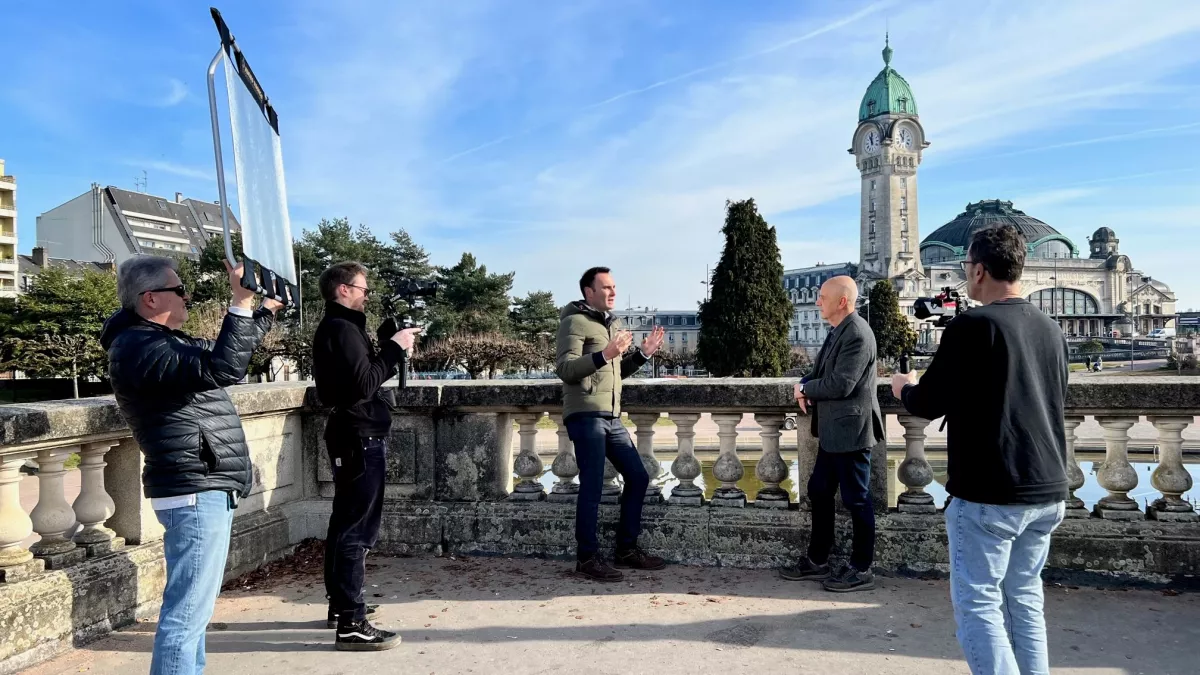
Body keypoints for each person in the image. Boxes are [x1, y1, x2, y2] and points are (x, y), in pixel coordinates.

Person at [892, 224, 1069, 675]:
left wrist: (903, 388)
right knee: (1026, 601)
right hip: (1048, 488)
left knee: (979, 606)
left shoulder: (973, 325)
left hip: (991, 491)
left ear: (980, 270)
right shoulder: (1050, 327)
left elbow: (928, 403)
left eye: (967, 267)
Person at [101, 255, 280, 675]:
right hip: (193, 491)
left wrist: (264, 313)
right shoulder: (140, 347)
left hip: (200, 486)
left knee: (193, 613)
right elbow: (225, 367)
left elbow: (226, 351)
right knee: (185, 615)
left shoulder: (159, 341)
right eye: (179, 290)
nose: (187, 296)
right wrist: (239, 302)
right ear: (150, 299)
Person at [312, 261, 422, 651]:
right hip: (359, 436)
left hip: (353, 434)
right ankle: (351, 622)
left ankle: (342, 606)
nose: (366, 295)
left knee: (345, 523)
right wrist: (394, 350)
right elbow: (363, 385)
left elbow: (354, 378)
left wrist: (382, 342)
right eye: (363, 288)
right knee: (357, 530)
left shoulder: (342, 328)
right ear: (343, 289)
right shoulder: (341, 329)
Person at [556, 266, 666, 582]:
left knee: (638, 476)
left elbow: (614, 373)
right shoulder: (574, 322)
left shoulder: (612, 323)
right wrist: (605, 354)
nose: (613, 292)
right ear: (588, 292)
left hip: (612, 416)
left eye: (614, 286)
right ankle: (587, 558)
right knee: (591, 485)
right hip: (586, 414)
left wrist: (642, 355)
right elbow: (565, 368)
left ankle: (626, 549)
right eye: (606, 287)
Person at [781, 275, 883, 592]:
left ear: (842, 301)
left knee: (857, 500)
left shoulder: (857, 334)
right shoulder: (839, 331)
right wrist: (804, 384)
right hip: (834, 430)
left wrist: (807, 388)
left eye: (822, 297)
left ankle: (862, 569)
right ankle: (818, 560)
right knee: (820, 490)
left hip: (851, 431)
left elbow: (841, 384)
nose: (817, 302)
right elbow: (823, 371)